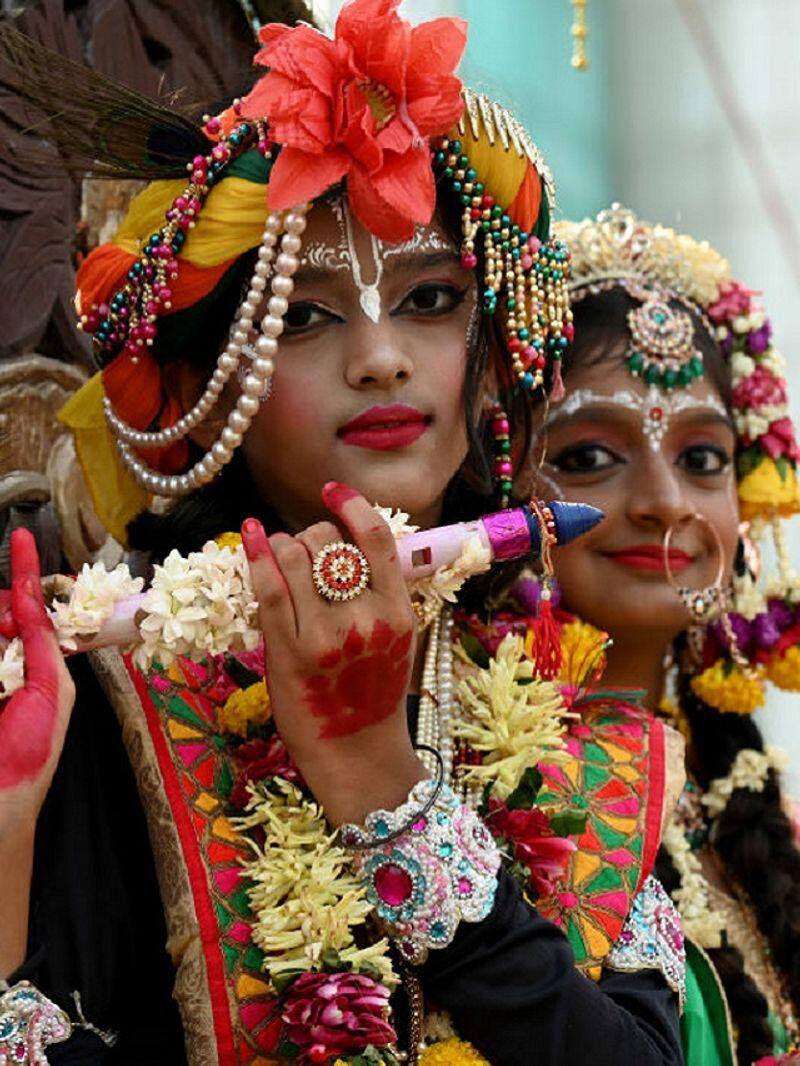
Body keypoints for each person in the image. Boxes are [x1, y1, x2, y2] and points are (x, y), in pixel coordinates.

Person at [0, 10, 686, 1065]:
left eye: (427, 299)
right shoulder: (108, 703)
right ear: (199, 383)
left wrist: (380, 782)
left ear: (489, 354)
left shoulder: (591, 745)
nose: (378, 359)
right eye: (305, 315)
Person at [526, 203, 800, 1066]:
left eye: (703, 458)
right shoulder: (481, 810)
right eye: (587, 458)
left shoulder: (767, 824)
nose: (665, 502)